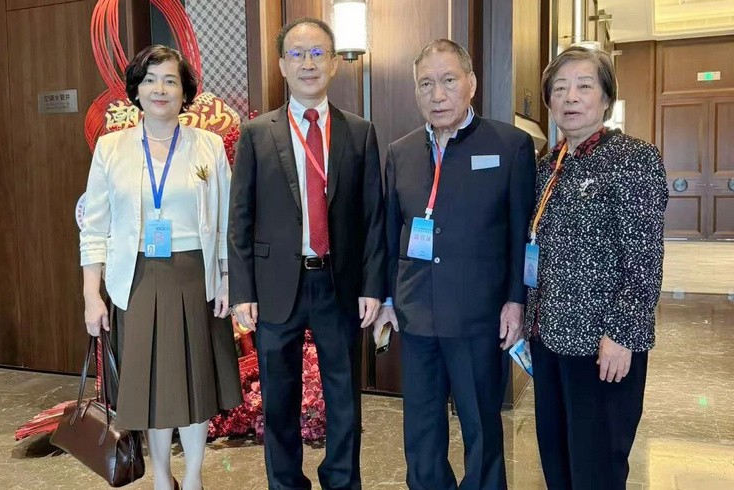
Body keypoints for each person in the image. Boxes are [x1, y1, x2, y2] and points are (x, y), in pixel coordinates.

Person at [228, 17, 386, 490]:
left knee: (344, 398)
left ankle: (341, 481)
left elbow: (373, 217)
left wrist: (372, 286)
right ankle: (285, 483)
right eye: (297, 54)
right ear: (282, 65)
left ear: (334, 63)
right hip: (276, 285)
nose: (308, 63)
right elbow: (240, 218)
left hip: (339, 283)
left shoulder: (359, 132)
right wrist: (242, 292)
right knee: (279, 399)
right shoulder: (257, 133)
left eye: (318, 53)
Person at [79, 44, 242, 490]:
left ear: (185, 91)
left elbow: (226, 222)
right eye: (150, 80)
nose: (160, 89)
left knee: (195, 383)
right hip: (136, 279)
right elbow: (94, 227)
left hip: (195, 276)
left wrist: (228, 278)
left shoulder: (208, 146)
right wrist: (92, 294)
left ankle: (193, 476)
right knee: (153, 386)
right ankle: (162, 477)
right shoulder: (111, 148)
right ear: (135, 90)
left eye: (170, 80)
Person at [375, 39, 535, 489]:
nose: (438, 94)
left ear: (471, 84)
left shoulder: (510, 145)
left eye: (448, 80)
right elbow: (390, 233)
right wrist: (387, 299)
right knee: (421, 428)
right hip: (417, 313)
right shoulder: (401, 152)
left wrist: (516, 301)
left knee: (481, 425)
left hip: (479, 316)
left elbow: (522, 234)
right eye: (426, 84)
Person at [525, 46, 668, 489]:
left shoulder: (633, 159)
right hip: (549, 337)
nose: (570, 97)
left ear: (606, 98)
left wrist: (622, 335)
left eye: (584, 86)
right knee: (557, 460)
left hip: (602, 346)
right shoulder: (548, 165)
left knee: (597, 467)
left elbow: (644, 257)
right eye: (560, 88)